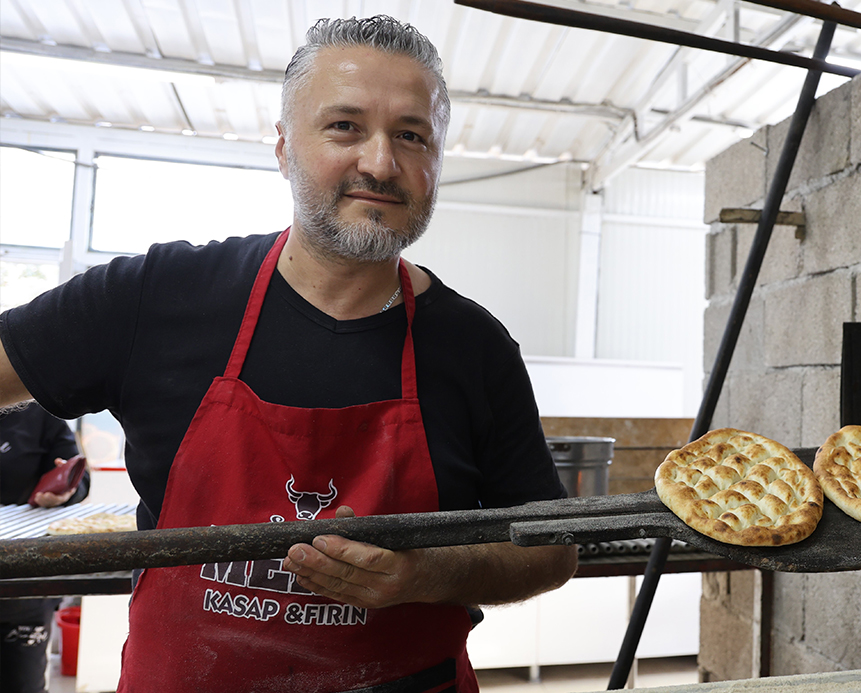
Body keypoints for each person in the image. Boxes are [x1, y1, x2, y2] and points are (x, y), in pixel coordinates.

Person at [0, 15, 577, 693]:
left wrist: (428, 572)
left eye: (412, 135)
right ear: (282, 147)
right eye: (345, 127)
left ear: (437, 161)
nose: (381, 162)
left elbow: (550, 546)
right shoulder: (157, 296)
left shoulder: (475, 347)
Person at [0, 405, 89, 693]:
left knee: (21, 682)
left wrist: (64, 491)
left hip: (24, 583)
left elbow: (79, 476)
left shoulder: (37, 410)